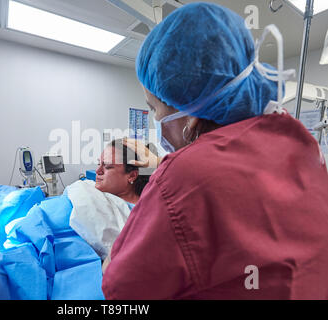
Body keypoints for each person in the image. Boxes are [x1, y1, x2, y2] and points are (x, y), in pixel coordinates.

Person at [102, 2, 328, 299]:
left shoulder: (179, 178)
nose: (156, 120)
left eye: (155, 108)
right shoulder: (298, 139)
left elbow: (122, 290)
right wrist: (162, 167)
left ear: (191, 113)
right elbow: (235, 180)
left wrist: (111, 258)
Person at [95, 139, 153, 207]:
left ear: (132, 176)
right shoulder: (87, 189)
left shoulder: (142, 213)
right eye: (99, 163)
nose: (98, 171)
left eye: (107, 166)